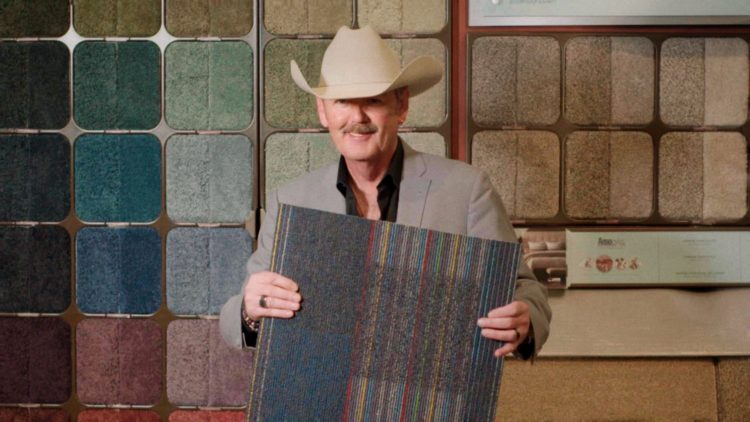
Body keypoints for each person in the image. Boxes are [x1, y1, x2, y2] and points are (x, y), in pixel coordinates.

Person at [220, 25, 551, 359]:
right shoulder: (291, 201)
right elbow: (234, 319)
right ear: (323, 111)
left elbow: (523, 288)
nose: (357, 117)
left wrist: (525, 317)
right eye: (342, 101)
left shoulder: (467, 191)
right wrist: (250, 311)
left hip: (429, 385)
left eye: (373, 100)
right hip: (325, 385)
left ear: (401, 106)